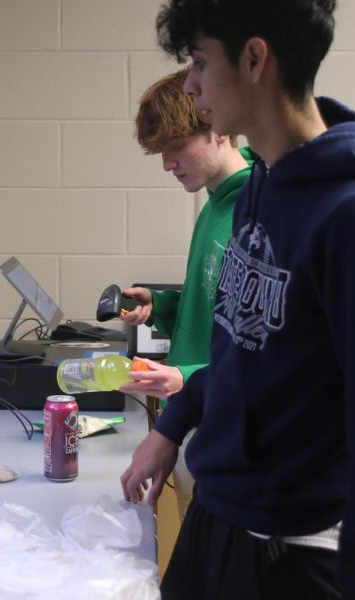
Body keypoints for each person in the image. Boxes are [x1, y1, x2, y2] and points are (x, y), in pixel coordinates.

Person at [120, 1, 355, 598]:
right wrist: (172, 427)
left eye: (202, 63)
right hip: (224, 513)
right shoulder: (262, 183)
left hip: (295, 551)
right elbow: (241, 351)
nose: (192, 85)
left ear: (255, 59)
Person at [118, 67, 253, 519]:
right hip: (194, 415)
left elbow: (260, 349)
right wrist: (164, 306)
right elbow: (214, 313)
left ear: (218, 128)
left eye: (177, 147)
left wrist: (188, 377)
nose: (167, 163)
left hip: (232, 435)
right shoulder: (214, 204)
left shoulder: (258, 210)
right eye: (161, 151)